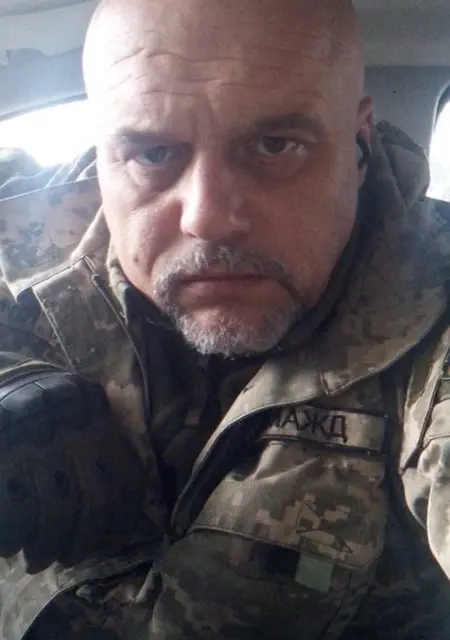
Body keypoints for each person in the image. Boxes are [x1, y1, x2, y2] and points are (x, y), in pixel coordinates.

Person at [0, 0, 450, 637]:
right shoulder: (29, 238)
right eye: (154, 153)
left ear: (359, 143)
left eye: (274, 145)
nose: (207, 217)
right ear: (100, 157)